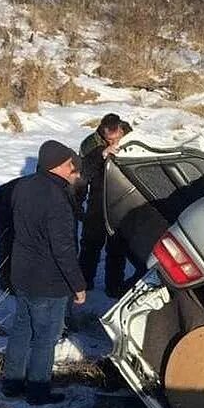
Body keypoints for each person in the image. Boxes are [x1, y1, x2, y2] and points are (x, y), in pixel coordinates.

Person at [2, 140, 86, 405]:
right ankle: (38, 391)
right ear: (60, 165)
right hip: (47, 281)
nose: (74, 169)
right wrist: (78, 285)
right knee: (45, 338)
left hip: (22, 273)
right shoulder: (58, 199)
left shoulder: (22, 187)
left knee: (20, 329)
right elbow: (63, 249)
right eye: (71, 164)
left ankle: (12, 383)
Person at [77, 113, 145, 298]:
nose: (113, 142)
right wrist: (102, 155)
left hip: (123, 199)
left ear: (121, 130)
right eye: (109, 139)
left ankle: (113, 287)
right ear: (102, 133)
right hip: (98, 199)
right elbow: (83, 175)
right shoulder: (90, 144)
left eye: (116, 139)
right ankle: (84, 282)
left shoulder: (133, 138)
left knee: (118, 246)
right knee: (91, 243)